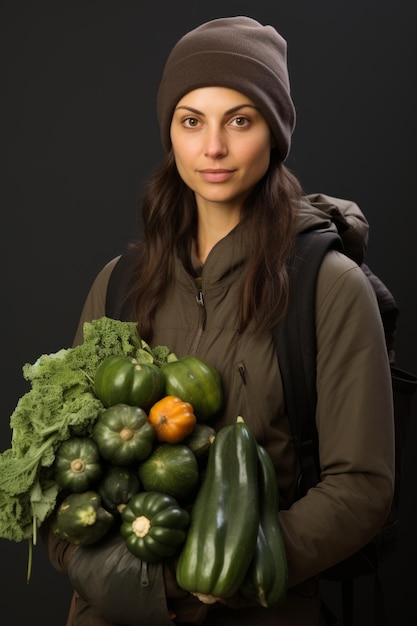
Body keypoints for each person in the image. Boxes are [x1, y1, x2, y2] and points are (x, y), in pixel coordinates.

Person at [40, 15, 395, 626]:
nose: (213, 148)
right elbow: (60, 461)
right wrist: (109, 570)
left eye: (240, 120)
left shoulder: (329, 287)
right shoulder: (119, 283)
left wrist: (233, 564)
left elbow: (361, 485)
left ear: (275, 133)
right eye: (191, 121)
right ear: (170, 134)